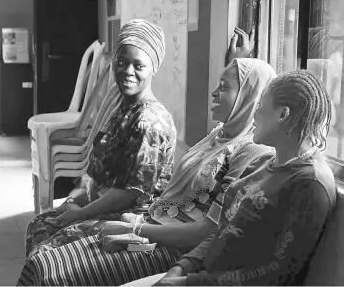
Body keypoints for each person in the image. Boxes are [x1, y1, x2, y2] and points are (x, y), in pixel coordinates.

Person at [17, 28, 277, 286]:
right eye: (121, 62)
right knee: (41, 250)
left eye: (223, 88)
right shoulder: (220, 135)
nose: (212, 93)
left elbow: (206, 231)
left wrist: (132, 228)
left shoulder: (250, 153)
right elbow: (244, 91)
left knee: (48, 264)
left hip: (162, 239)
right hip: (151, 223)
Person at [143, 69, 337, 286]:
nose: (254, 115)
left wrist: (188, 282)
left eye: (261, 106)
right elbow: (221, 231)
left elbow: (277, 274)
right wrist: (180, 268)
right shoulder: (261, 163)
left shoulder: (310, 184)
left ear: (282, 114)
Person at [24, 19, 177, 259]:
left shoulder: (150, 122)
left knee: (48, 252)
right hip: (100, 205)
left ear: (153, 68)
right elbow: (97, 171)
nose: (128, 71)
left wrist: (80, 213)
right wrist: (76, 199)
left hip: (127, 219)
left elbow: (129, 193)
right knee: (38, 226)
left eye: (139, 65)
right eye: (122, 62)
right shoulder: (124, 109)